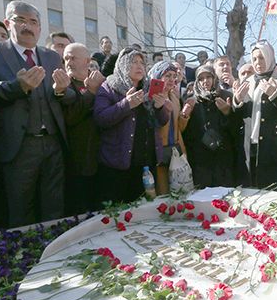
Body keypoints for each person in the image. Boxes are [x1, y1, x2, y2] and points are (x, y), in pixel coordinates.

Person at [0, 0, 74, 227]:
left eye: (33, 22)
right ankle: (26, 257)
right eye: (21, 20)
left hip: (53, 143)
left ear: (40, 28)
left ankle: (57, 253)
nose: (27, 26)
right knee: (20, 208)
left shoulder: (50, 57)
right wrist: (18, 86)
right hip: (19, 145)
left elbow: (64, 97)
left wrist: (61, 91)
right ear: (8, 23)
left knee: (54, 206)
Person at [93, 47, 169, 203]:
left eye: (142, 62)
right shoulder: (109, 87)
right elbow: (100, 118)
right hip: (118, 165)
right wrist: (126, 104)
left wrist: (160, 107)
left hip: (146, 164)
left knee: (145, 211)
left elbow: (161, 121)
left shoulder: (149, 88)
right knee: (119, 214)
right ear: (122, 64)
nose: (139, 66)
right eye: (134, 61)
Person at [233, 40, 277, 188]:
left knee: (273, 189)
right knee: (251, 186)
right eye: (254, 59)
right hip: (251, 142)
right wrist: (237, 100)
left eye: (262, 57)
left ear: (270, 56)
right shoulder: (249, 80)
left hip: (274, 144)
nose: (258, 62)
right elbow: (241, 115)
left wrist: (274, 93)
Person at [61, 43, 105, 215]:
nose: (68, 62)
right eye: (66, 58)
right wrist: (90, 93)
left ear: (87, 61)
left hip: (101, 156)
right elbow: (70, 118)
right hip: (76, 159)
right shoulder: (63, 85)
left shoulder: (102, 83)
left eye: (73, 58)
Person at [181, 65, 234, 187]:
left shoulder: (225, 96)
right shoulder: (190, 99)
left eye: (208, 77)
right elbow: (186, 131)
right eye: (201, 78)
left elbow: (234, 127)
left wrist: (227, 113)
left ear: (214, 78)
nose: (205, 81)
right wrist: (185, 114)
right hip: (200, 157)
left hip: (223, 155)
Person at [148, 61, 187, 195]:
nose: (172, 79)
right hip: (159, 150)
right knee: (162, 192)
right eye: (167, 75)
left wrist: (185, 116)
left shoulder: (175, 97)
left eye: (174, 76)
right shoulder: (152, 97)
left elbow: (178, 127)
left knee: (180, 190)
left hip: (175, 149)